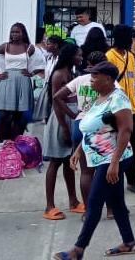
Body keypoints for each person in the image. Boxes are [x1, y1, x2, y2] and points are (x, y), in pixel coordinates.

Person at [53, 61, 135, 259]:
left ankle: (78, 250)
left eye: (94, 76)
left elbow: (126, 130)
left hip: (113, 157)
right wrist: (79, 151)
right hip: (100, 157)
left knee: (94, 202)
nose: (90, 80)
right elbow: (92, 128)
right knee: (116, 202)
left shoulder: (119, 99)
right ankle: (129, 242)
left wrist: (115, 163)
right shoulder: (100, 98)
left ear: (108, 79)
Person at [53, 51, 109, 209]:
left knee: (86, 172)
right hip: (100, 127)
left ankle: (88, 210)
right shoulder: (108, 81)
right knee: (105, 170)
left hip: (80, 124)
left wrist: (73, 114)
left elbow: (57, 96)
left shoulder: (80, 79)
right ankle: (111, 210)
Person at [41, 44, 83, 220]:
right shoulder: (59, 75)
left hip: (71, 119)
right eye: (79, 55)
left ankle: (73, 201)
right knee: (55, 162)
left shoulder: (72, 73)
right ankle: (49, 206)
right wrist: (65, 127)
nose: (81, 58)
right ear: (70, 56)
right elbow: (57, 102)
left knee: (68, 162)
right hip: (61, 121)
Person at [106, 24, 135, 196]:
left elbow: (132, 80)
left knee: (133, 146)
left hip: (134, 109)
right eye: (129, 36)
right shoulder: (110, 56)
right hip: (118, 110)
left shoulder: (130, 56)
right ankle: (113, 179)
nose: (132, 39)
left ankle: (132, 180)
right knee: (118, 145)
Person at [0, 23, 43, 142]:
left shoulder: (29, 48)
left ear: (23, 33)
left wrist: (32, 73)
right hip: (7, 81)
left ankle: (16, 142)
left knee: (18, 114)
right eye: (12, 32)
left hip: (22, 81)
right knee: (4, 114)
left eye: (17, 32)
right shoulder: (5, 46)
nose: (14, 34)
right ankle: (1, 142)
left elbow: (41, 63)